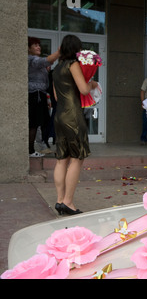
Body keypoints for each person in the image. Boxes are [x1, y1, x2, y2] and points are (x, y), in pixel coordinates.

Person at [52, 34, 99, 215]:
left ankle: (59, 200)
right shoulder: (73, 65)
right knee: (77, 158)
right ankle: (68, 202)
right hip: (73, 115)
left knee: (61, 159)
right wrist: (93, 83)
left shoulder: (56, 68)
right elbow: (83, 89)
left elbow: (56, 97)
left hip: (59, 115)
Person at [28, 37, 59, 157]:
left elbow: (47, 63)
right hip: (34, 94)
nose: (38, 47)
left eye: (39, 45)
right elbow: (45, 61)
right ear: (28, 48)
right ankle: (30, 151)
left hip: (40, 94)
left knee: (41, 122)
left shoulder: (37, 61)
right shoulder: (31, 60)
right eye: (35, 45)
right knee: (34, 124)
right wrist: (59, 52)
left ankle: (40, 146)